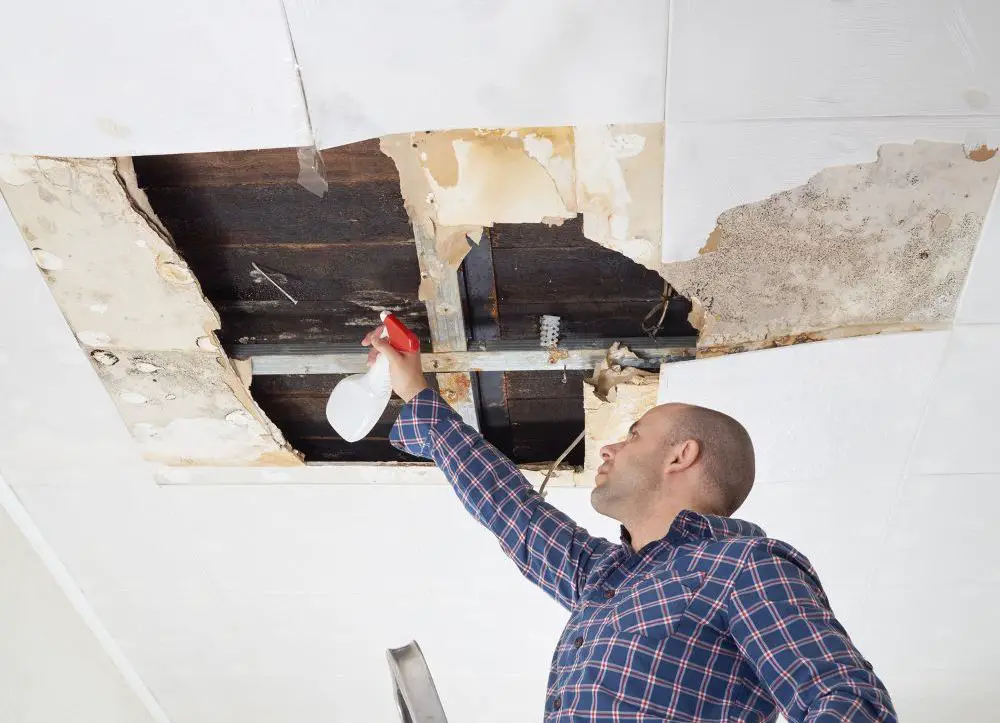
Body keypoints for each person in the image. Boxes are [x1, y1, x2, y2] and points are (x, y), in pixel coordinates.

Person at [364, 327, 897, 722]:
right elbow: (511, 510)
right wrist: (416, 392)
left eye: (635, 434)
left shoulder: (744, 567)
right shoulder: (603, 576)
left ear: (680, 456)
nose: (612, 447)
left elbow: (847, 704)